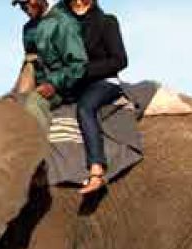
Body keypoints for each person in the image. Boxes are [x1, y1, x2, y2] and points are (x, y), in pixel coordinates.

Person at [60, 0, 128, 194]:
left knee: (85, 109)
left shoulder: (107, 22)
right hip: (76, 86)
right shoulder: (64, 26)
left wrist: (84, 71)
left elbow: (120, 60)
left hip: (105, 82)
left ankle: (96, 170)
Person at [13, 0, 87, 110]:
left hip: (63, 90)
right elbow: (30, 62)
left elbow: (78, 64)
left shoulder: (63, 22)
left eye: (27, 2)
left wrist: (53, 84)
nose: (24, 7)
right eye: (21, 5)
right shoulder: (28, 29)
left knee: (31, 107)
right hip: (36, 87)